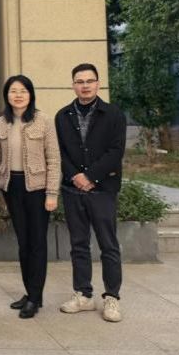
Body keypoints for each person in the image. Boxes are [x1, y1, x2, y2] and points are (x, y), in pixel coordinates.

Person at [56, 63, 126, 322]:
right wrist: (75, 176)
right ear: (73, 85)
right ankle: (83, 295)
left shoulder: (114, 114)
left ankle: (112, 297)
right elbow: (59, 152)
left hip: (103, 189)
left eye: (89, 81)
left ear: (98, 83)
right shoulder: (63, 116)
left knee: (108, 245)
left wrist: (91, 177)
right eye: (79, 81)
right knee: (79, 244)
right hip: (73, 189)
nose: (84, 86)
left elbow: (116, 151)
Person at [0, 75, 60, 319]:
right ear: (7, 95)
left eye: (23, 90)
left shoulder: (43, 121)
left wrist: (52, 193)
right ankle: (30, 292)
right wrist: (0, 189)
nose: (18, 95)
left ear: (30, 94)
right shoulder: (1, 122)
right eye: (13, 91)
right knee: (23, 244)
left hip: (38, 189)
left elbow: (54, 159)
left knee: (37, 244)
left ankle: (35, 297)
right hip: (12, 187)